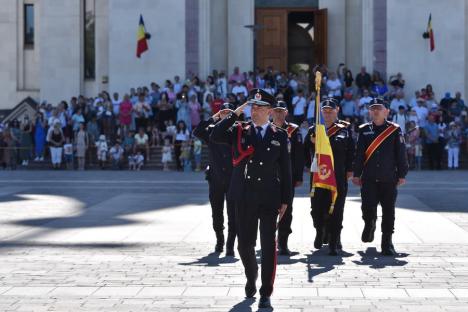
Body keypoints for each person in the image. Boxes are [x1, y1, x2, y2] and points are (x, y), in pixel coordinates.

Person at [210, 89, 292, 309]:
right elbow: (215, 135)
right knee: (244, 246)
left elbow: (286, 170)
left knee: (268, 245)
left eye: (258, 107)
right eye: (252, 106)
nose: (254, 111)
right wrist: (236, 112)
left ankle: (266, 292)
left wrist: (286, 200)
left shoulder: (279, 135)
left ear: (269, 111)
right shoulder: (239, 130)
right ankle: (251, 275)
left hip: (269, 197)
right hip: (244, 196)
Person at [352, 97, 408, 256]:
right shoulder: (363, 130)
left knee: (389, 211)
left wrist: (402, 174)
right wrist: (356, 174)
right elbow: (359, 155)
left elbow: (401, 154)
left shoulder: (395, 130)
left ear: (387, 111)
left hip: (388, 178)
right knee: (367, 208)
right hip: (369, 178)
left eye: (379, 108)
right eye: (373, 108)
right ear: (370, 111)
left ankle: (387, 242)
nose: (375, 111)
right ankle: (369, 224)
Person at [304, 98, 355, 255]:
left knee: (336, 209)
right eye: (324, 111)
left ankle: (334, 241)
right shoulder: (315, 129)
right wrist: (308, 163)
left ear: (337, 110)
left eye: (330, 111)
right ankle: (320, 230)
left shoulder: (344, 129)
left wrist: (350, 170)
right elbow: (305, 149)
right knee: (316, 209)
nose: (327, 113)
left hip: (337, 175)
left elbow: (352, 151)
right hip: (319, 176)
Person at [193, 102, 237, 256]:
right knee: (217, 213)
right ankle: (220, 240)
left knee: (234, 214)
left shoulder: (238, 131)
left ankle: (231, 244)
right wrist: (212, 119)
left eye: (229, 113)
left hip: (233, 179)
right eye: (223, 113)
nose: (226, 116)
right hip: (216, 178)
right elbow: (197, 131)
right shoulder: (211, 131)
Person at [271, 100, 305, 255]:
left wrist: (298, 176)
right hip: (268, 175)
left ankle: (283, 242)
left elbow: (298, 155)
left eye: (281, 111)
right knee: (268, 209)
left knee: (287, 210)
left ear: (286, 112)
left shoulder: (293, 130)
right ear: (271, 112)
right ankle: (269, 240)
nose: (278, 113)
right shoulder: (266, 128)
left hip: (287, 176)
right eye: (276, 110)